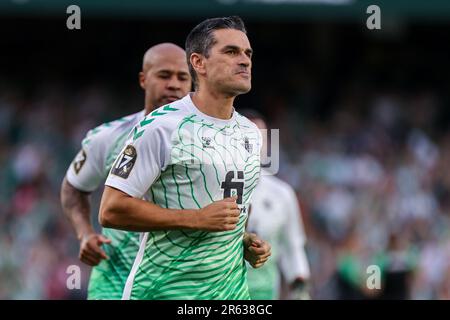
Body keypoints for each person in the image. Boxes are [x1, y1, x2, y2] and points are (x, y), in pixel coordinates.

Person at [99, 16, 270, 300]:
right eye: (231, 52)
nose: (244, 61)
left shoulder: (251, 134)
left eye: (247, 53)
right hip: (164, 291)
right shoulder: (161, 126)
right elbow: (111, 209)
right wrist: (195, 218)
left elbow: (226, 215)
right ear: (198, 63)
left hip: (232, 295)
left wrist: (244, 241)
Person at [61, 43, 192, 299]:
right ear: (144, 79)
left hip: (176, 283)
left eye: (182, 77)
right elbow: (73, 187)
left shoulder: (208, 142)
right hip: (114, 280)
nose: (174, 84)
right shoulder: (109, 137)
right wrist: (85, 233)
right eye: (164, 75)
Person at [242, 109, 311, 300]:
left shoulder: (282, 194)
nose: (257, 143)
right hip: (221, 293)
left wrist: (300, 290)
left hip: (264, 294)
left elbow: (293, 247)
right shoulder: (212, 189)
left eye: (261, 136)